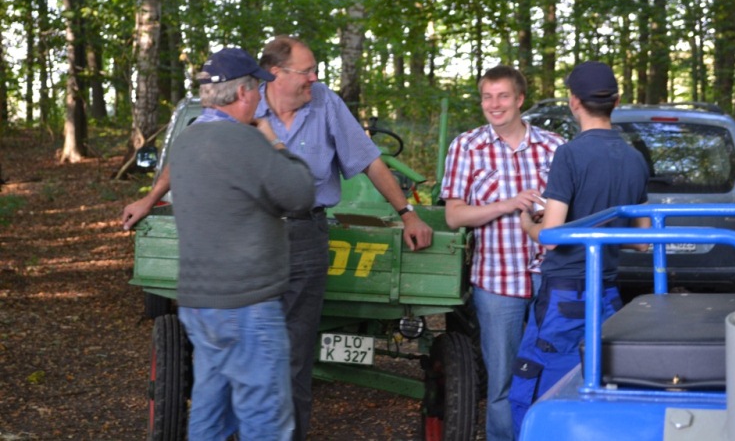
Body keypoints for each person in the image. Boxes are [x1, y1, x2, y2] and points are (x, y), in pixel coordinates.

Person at [121, 35, 434, 440]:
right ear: (273, 75)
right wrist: (150, 199)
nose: (314, 78)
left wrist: (407, 213)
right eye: (307, 70)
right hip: (253, 266)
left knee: (286, 362)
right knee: (264, 383)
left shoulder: (323, 103)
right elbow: (292, 184)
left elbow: (368, 160)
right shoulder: (246, 123)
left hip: (295, 240)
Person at [169, 48, 315, 439]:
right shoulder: (244, 142)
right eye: (256, 89)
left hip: (199, 304)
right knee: (265, 420)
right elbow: (301, 193)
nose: (259, 98)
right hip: (246, 305)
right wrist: (274, 140)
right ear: (242, 94)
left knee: (211, 414)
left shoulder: (186, 141)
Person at [508, 61, 651, 436]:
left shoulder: (569, 155)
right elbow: (642, 239)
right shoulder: (635, 158)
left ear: (574, 102)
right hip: (608, 295)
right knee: (597, 383)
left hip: (564, 296)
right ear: (616, 102)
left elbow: (552, 235)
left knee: (539, 386)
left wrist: (528, 223)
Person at [439, 65, 565, 441]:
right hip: (496, 280)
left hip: (550, 275)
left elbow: (570, 207)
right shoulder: (467, 146)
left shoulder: (555, 146)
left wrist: (545, 212)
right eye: (487, 97)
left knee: (553, 373)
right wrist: (508, 204)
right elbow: (454, 216)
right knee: (502, 381)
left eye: (503, 96)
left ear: (520, 99)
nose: (494, 104)